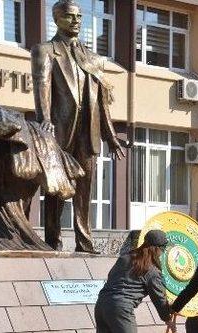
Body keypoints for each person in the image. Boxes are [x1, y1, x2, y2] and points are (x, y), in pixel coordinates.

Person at [31, 0, 129, 253]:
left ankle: (84, 243)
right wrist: (45, 119)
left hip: (88, 133)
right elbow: (42, 86)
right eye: (69, 16)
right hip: (60, 130)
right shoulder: (45, 50)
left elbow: (101, 102)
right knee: (56, 189)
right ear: (56, 19)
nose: (76, 21)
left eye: (79, 16)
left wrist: (110, 135)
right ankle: (52, 241)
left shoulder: (94, 59)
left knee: (84, 191)